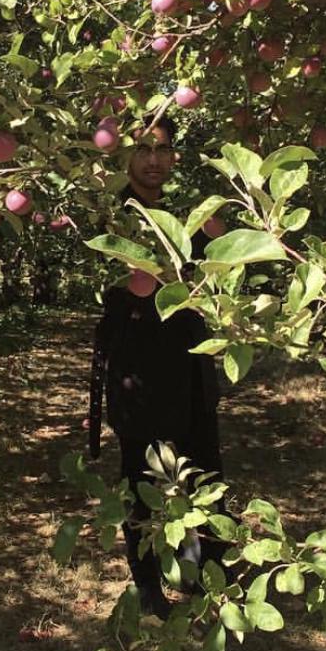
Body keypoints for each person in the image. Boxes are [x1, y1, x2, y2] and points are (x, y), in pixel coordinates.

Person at [88, 115, 233, 620]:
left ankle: (201, 570)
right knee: (144, 473)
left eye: (162, 149)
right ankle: (149, 582)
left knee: (201, 464)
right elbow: (136, 287)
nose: (153, 159)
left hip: (188, 359)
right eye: (143, 149)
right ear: (122, 156)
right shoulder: (111, 215)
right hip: (138, 364)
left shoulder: (178, 213)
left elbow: (212, 273)